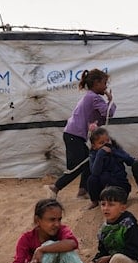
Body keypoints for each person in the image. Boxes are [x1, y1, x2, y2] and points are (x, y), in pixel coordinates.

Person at [46, 69, 115, 199]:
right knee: (78, 166)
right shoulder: (94, 97)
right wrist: (110, 100)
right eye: (104, 83)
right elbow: (108, 113)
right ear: (96, 83)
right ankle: (55, 187)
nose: (106, 87)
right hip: (74, 135)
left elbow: (99, 118)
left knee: (88, 161)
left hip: (73, 134)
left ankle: (83, 191)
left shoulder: (90, 96)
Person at [86, 127, 133, 208]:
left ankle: (118, 199)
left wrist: (115, 152)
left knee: (106, 177)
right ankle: (94, 201)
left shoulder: (116, 149)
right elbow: (95, 172)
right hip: (104, 186)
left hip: (120, 184)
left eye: (108, 140)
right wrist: (100, 155)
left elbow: (130, 161)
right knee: (92, 179)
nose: (106, 144)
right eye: (101, 143)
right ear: (94, 146)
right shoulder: (94, 155)